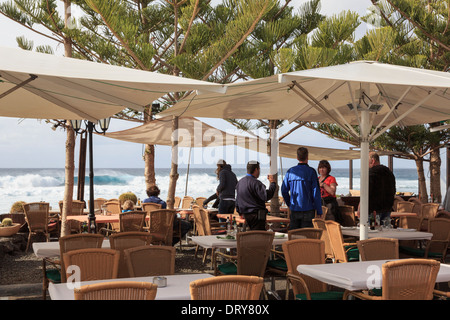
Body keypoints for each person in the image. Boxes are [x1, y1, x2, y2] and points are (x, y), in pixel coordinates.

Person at [281, 147, 322, 229]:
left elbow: (284, 190)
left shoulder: (290, 171)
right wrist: (319, 210)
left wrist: (290, 204)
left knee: (294, 236)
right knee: (306, 237)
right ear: (307, 157)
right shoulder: (311, 172)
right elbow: (316, 192)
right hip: (308, 209)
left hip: (294, 209)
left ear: (297, 157)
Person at [235, 161, 277, 230]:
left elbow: (237, 200)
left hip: (245, 215)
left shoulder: (240, 182)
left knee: (249, 237)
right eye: (259, 169)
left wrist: (239, 212)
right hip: (257, 216)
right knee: (258, 238)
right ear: (256, 169)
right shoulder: (256, 183)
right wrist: (272, 183)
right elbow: (266, 196)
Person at [366, 152, 396, 223]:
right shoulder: (389, 172)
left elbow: (367, 192)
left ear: (372, 161)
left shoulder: (371, 172)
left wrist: (360, 207)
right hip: (387, 209)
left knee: (372, 231)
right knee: (385, 232)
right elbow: (393, 190)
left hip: (373, 211)